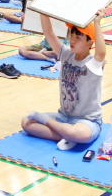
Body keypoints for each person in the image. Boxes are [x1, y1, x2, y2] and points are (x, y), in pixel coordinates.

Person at [21, 9, 106, 150]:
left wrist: (97, 23)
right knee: (26, 122)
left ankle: (55, 127)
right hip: (63, 117)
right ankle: (66, 135)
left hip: (86, 121)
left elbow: (101, 52)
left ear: (90, 43)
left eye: (78, 38)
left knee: (80, 134)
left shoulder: (93, 63)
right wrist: (44, 11)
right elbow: (48, 33)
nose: (72, 40)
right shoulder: (66, 54)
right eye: (71, 36)